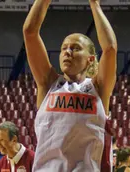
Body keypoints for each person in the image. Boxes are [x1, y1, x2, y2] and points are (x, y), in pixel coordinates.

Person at [23, 0, 117, 171]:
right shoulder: (48, 83)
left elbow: (110, 48)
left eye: (75, 48)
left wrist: (94, 4)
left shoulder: (98, 87)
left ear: (90, 59)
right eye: (64, 48)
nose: (67, 52)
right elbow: (29, 32)